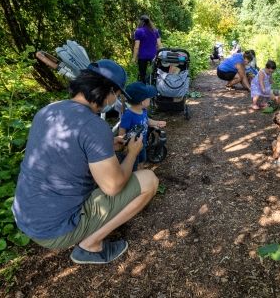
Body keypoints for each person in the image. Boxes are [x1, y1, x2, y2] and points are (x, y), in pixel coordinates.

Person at [12, 59, 159, 265]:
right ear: (107, 91)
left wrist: (108, 144)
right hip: (54, 231)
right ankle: (90, 246)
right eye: (116, 95)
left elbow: (68, 150)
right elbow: (113, 187)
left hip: (26, 217)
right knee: (149, 179)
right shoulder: (93, 124)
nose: (114, 100)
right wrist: (133, 153)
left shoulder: (48, 111)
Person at [118, 82, 166, 170]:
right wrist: (123, 145)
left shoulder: (143, 110)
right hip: (132, 146)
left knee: (142, 159)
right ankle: (137, 176)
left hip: (142, 143)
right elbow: (122, 130)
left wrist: (156, 122)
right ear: (142, 102)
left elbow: (146, 120)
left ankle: (141, 170)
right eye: (149, 98)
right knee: (134, 164)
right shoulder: (128, 115)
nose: (150, 99)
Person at [132, 15, 162, 83]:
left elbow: (136, 47)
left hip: (142, 56)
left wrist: (134, 58)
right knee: (154, 73)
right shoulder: (155, 31)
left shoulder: (138, 31)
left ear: (140, 21)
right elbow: (159, 45)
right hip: (153, 55)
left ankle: (143, 87)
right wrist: (161, 55)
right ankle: (153, 86)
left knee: (142, 74)